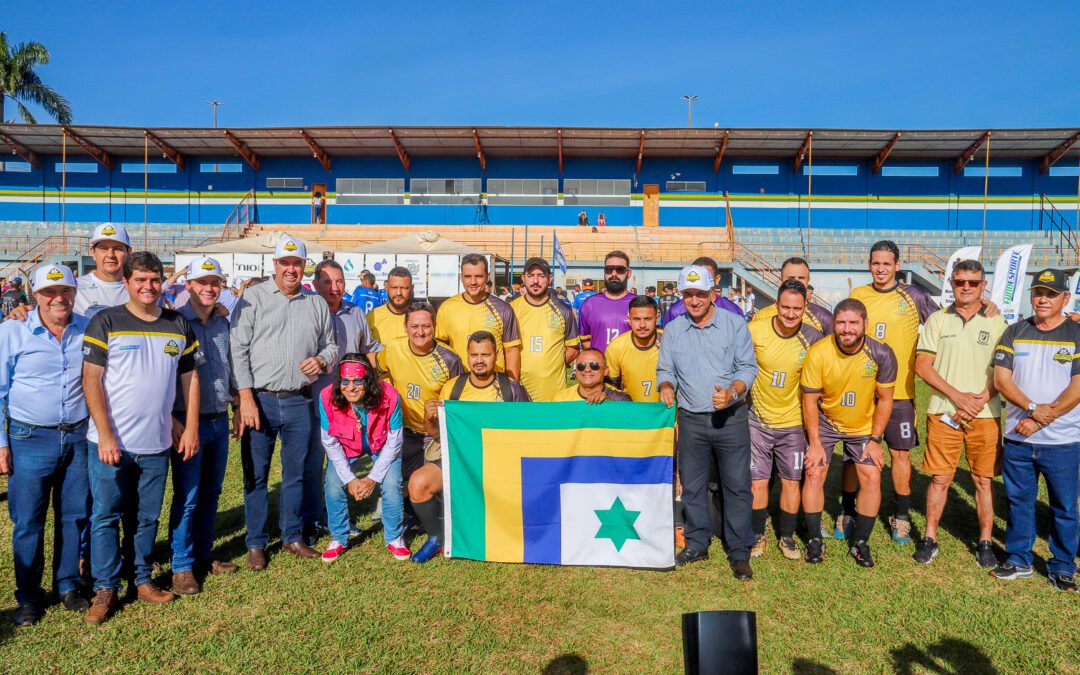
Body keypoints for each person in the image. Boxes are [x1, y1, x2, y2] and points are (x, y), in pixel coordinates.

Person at [82, 251, 202, 625]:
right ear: (127, 283)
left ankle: (142, 579)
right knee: (106, 516)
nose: (148, 287)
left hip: (157, 443)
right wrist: (105, 435)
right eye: (140, 281)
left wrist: (191, 426)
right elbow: (91, 380)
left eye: (154, 280)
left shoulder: (178, 323)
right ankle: (106, 588)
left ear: (162, 282)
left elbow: (190, 379)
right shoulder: (106, 321)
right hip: (110, 443)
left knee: (146, 516)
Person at [230, 235, 338, 570]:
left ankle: (292, 535)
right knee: (256, 476)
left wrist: (321, 361)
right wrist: (244, 397)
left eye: (296, 263)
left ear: (303, 265)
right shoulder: (253, 297)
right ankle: (256, 543)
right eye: (284, 263)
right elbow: (238, 349)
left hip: (298, 401)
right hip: (259, 400)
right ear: (274, 264)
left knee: (295, 474)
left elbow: (331, 346)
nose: (290, 269)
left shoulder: (316, 303)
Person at [0, 265, 90, 626]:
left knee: (74, 515)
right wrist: (0, 443)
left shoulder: (88, 327)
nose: (58, 298)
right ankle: (28, 596)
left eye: (65, 290)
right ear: (33, 295)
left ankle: (67, 585)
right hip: (29, 437)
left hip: (79, 436)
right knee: (28, 520)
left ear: (74, 292)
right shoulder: (13, 331)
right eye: (49, 292)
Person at [656, 265, 758, 580]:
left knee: (737, 486)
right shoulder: (673, 329)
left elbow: (747, 367)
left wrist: (732, 392)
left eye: (700, 294)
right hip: (691, 420)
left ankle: (739, 551)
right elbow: (665, 369)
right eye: (688, 295)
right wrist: (666, 386)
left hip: (730, 418)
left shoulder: (734, 324)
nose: (695, 300)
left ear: (713, 293)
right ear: (681, 296)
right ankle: (697, 542)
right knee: (693, 486)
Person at [990, 269, 1080, 592]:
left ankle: (1062, 566)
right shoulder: (1015, 331)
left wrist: (1042, 417)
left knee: (1066, 507)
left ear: (1065, 299)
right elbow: (1002, 380)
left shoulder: (1076, 333)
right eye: (1038, 292)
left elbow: (1077, 388)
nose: (1043, 298)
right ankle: (1018, 559)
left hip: (1063, 441)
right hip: (1018, 438)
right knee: (1019, 501)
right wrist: (1031, 409)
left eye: (1051, 294)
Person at [912, 260, 1006, 567]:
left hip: (985, 413)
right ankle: (929, 537)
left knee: (982, 480)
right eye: (960, 282)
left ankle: (985, 542)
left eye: (973, 282)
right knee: (941, 478)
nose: (966, 287)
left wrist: (981, 398)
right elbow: (922, 366)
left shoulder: (997, 322)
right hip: (944, 412)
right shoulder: (938, 319)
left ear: (983, 286)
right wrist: (957, 396)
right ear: (951, 284)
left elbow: (1006, 369)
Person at [410, 331, 530, 563]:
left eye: (485, 354)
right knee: (418, 483)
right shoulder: (454, 388)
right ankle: (437, 537)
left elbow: (528, 431)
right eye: (474, 354)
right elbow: (437, 435)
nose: (479, 360)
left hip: (500, 465)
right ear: (467, 356)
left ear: (496, 356)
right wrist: (428, 418)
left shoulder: (511, 388)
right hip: (460, 462)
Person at [848, 240, 939, 544]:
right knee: (855, 452)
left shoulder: (914, 295)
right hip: (863, 390)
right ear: (869, 264)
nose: (881, 269)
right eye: (876, 263)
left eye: (887, 263)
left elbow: (943, 325)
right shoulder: (859, 295)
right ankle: (849, 509)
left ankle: (900, 515)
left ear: (898, 265)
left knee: (900, 454)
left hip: (900, 393)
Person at [801, 298, 897, 568]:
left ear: (865, 324)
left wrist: (876, 440)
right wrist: (816, 443)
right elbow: (809, 400)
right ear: (834, 324)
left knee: (871, 474)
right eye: (841, 322)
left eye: (853, 322)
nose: (847, 329)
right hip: (827, 421)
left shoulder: (882, 353)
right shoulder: (819, 352)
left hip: (863, 426)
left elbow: (886, 399)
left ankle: (860, 542)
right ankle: (813, 539)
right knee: (815, 470)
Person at [167, 257, 239, 597]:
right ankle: (181, 566)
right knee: (188, 495)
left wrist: (238, 403)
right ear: (189, 286)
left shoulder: (224, 322)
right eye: (202, 283)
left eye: (215, 283)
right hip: (187, 421)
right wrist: (176, 419)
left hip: (218, 420)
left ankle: (204, 554)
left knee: (211, 492)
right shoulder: (178, 323)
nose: (209, 289)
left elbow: (231, 367)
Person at [747, 280, 824, 561]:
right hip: (758, 422)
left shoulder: (813, 338)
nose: (791, 314)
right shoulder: (754, 330)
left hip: (792, 424)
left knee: (792, 481)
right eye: (786, 307)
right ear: (776, 306)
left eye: (797, 308)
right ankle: (757, 535)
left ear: (805, 308)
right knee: (758, 482)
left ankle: (787, 536)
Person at [310, 259, 383, 536]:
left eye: (339, 281)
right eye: (328, 282)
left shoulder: (354, 312)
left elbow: (370, 349)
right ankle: (316, 519)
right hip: (318, 402)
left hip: (354, 406)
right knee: (316, 464)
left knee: (342, 464)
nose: (334, 287)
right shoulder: (310, 310)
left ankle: (337, 519)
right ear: (317, 284)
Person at [318, 354, 408, 563]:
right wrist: (350, 479)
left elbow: (395, 441)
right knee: (332, 483)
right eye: (345, 381)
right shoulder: (325, 397)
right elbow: (329, 442)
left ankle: (394, 537)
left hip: (383, 445)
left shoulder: (390, 396)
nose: (351, 387)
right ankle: (339, 536)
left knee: (392, 482)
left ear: (368, 381)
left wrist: (372, 478)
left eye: (358, 381)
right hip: (346, 447)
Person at [380, 302, 463, 488]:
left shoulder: (450, 359)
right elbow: (375, 367)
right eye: (414, 326)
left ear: (434, 327)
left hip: (434, 436)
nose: (420, 332)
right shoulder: (393, 348)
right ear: (405, 327)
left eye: (426, 326)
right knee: (395, 488)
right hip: (402, 432)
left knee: (428, 489)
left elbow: (457, 406)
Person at [435, 254, 521, 378]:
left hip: (494, 386)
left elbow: (511, 351)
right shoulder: (446, 308)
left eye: (479, 276)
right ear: (461, 278)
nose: (473, 282)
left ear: (487, 277)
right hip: (460, 385)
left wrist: (511, 386)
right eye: (468, 276)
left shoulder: (503, 309)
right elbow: (442, 351)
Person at [511, 257, 580, 402]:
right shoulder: (511, 309)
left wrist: (551, 364)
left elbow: (573, 349)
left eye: (541, 276)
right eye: (530, 276)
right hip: (520, 392)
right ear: (523, 278)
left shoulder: (564, 311)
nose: (535, 281)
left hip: (554, 394)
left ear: (549, 279)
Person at [750, 257, 833, 334]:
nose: (796, 282)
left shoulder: (824, 317)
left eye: (801, 278)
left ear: (808, 280)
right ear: (781, 280)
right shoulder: (762, 316)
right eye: (791, 278)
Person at [605, 295, 662, 402]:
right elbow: (609, 386)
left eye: (648, 319)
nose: (642, 325)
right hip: (631, 414)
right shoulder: (616, 346)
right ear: (629, 319)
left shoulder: (668, 342)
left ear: (657, 319)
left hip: (664, 414)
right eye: (636, 319)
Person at [578, 251, 636, 353]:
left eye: (620, 270)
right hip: (600, 368)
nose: (614, 274)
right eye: (609, 269)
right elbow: (586, 341)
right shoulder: (589, 304)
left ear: (629, 273)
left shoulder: (638, 303)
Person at [76, 223, 133, 318]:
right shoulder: (75, 289)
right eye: (103, 249)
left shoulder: (140, 289)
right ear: (93, 252)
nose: (110, 255)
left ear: (129, 253)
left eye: (117, 249)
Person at [662, 257, 742, 325]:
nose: (695, 302)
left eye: (707, 275)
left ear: (717, 279)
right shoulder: (675, 311)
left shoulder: (733, 311)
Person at [368, 266, 414, 372]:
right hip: (380, 385)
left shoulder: (419, 317)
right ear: (387, 288)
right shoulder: (372, 316)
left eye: (404, 288)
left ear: (411, 288)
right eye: (394, 288)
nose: (398, 293)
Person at [553, 348, 631, 402]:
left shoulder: (621, 399)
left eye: (594, 365)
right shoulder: (561, 399)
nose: (587, 370)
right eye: (581, 366)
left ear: (606, 371)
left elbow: (629, 421)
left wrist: (608, 403)